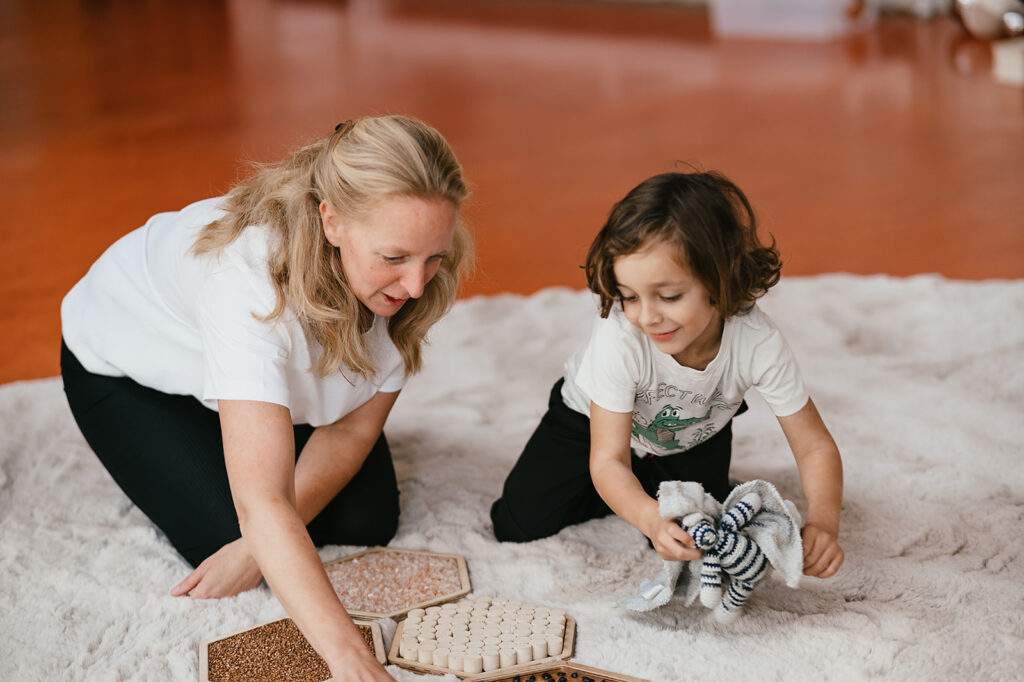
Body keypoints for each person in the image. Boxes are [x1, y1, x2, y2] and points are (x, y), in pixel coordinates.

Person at [60, 115, 471, 681]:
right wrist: (351, 659)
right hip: (125, 370)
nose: (418, 286)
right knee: (225, 532)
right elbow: (263, 503)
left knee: (367, 517)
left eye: (434, 258)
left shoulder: (415, 270)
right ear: (331, 221)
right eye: (394, 258)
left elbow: (352, 430)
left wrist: (259, 545)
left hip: (256, 358)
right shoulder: (246, 284)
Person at [490, 170, 844, 580]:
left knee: (693, 543)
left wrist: (823, 523)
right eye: (629, 297)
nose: (647, 315)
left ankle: (650, 482)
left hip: (694, 438)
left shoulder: (756, 341)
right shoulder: (620, 336)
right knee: (517, 525)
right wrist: (647, 516)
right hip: (588, 425)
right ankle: (633, 487)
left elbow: (815, 447)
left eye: (670, 296)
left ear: (720, 277)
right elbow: (607, 459)